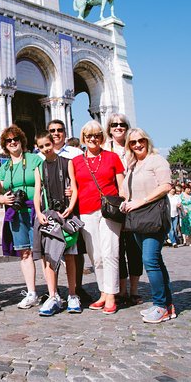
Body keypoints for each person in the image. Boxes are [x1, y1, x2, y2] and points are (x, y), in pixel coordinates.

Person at [119, 128, 174, 323]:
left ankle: (160, 305)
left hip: (153, 216)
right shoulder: (133, 165)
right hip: (137, 218)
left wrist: (140, 201)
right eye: (132, 142)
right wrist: (126, 201)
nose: (137, 145)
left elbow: (165, 186)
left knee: (149, 260)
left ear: (147, 140)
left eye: (140, 140)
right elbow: (129, 191)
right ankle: (168, 304)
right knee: (156, 260)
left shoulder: (156, 160)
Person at [72, 120, 124, 314]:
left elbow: (121, 184)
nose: (92, 139)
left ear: (102, 138)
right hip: (86, 209)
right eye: (88, 136)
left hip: (109, 210)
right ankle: (103, 291)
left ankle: (111, 294)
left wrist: (124, 203)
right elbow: (74, 188)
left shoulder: (112, 157)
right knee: (96, 255)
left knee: (110, 251)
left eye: (97, 135)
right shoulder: (76, 161)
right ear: (83, 138)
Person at [0, 125, 43, 309]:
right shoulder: (5, 167)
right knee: (24, 252)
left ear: (21, 141)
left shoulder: (34, 159)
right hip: (16, 214)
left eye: (15, 139)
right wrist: (2, 199)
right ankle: (32, 292)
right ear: (4, 145)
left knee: (45, 252)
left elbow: (41, 184)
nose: (13, 142)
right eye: (8, 140)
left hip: (35, 211)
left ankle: (53, 291)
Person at [41, 119, 89, 302]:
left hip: (71, 209)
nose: (56, 133)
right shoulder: (41, 155)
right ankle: (53, 290)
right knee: (51, 250)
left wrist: (74, 189)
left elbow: (84, 178)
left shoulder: (76, 153)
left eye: (59, 130)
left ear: (65, 132)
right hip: (50, 210)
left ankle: (77, 288)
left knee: (74, 251)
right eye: (52, 130)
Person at [32, 130, 79, 315]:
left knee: (70, 255)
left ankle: (73, 295)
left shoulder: (67, 163)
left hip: (65, 214)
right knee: (50, 257)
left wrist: (71, 206)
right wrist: (38, 213)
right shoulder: (39, 167)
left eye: (47, 145)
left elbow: (74, 188)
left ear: (54, 143)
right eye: (41, 146)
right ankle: (53, 295)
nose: (45, 149)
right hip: (48, 215)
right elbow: (37, 192)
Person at [104, 112, 143, 306]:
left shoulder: (135, 147)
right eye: (114, 125)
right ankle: (121, 289)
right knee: (117, 248)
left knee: (134, 248)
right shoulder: (104, 148)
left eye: (122, 125)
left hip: (135, 203)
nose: (118, 128)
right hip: (115, 204)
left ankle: (134, 290)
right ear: (109, 128)